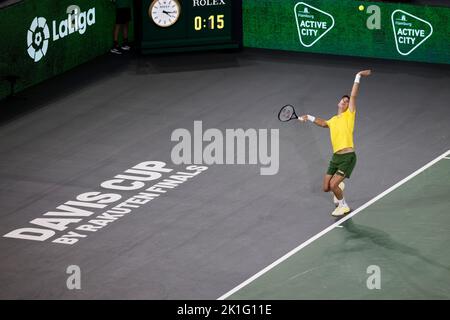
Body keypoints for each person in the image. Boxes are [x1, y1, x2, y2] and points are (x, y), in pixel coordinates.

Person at [299, 70, 372, 217]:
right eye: (343, 100)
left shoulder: (349, 115)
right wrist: (308, 117)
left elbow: (353, 95)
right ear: (338, 103)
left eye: (347, 102)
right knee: (326, 188)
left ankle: (343, 205)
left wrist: (358, 76)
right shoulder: (333, 120)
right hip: (336, 158)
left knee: (333, 185)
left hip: (348, 157)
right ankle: (339, 187)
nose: (345, 102)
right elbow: (323, 123)